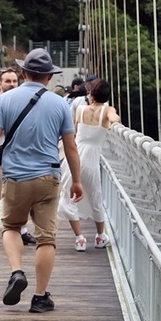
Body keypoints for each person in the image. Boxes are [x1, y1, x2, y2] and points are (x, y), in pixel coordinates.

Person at [0, 48, 83, 314]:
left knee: (11, 226)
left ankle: (17, 272)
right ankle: (40, 297)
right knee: (46, 239)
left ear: (23, 73)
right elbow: (71, 147)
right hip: (49, 177)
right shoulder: (61, 103)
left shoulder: (6, 100)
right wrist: (77, 181)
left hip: (15, 177)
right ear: (49, 77)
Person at [59, 78, 121, 251]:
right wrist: (112, 122)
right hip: (92, 159)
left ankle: (79, 239)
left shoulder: (80, 109)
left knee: (67, 196)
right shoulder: (107, 110)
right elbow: (114, 118)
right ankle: (100, 236)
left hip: (74, 157)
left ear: (91, 94)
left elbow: (73, 131)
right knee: (95, 197)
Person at [0, 68, 36, 248]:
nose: (11, 84)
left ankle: (22, 231)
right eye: (7, 81)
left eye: (14, 81)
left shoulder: (22, 101)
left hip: (19, 155)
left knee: (21, 195)